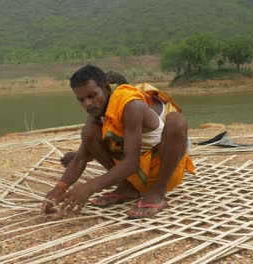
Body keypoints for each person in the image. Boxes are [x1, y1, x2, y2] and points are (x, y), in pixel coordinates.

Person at [43, 65, 194, 218]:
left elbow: (131, 162)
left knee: (176, 121)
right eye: (81, 100)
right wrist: (59, 189)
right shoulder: (97, 114)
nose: (87, 104)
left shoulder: (132, 106)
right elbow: (80, 158)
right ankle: (127, 187)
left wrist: (89, 187)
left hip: (161, 171)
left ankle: (157, 193)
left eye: (92, 96)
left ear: (106, 89)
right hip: (134, 175)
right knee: (88, 133)